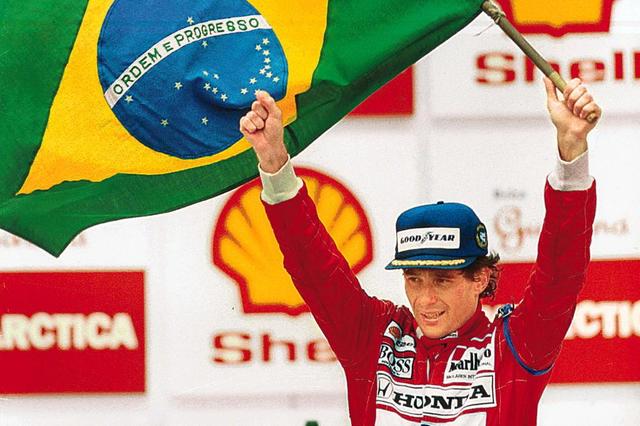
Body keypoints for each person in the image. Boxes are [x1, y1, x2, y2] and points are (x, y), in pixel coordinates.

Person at [239, 78, 601, 425]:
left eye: (442, 280)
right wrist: (274, 161)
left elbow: (561, 273)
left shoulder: (512, 347)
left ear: (481, 277)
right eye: (414, 279)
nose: (425, 299)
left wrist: (571, 152)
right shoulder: (375, 339)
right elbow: (314, 267)